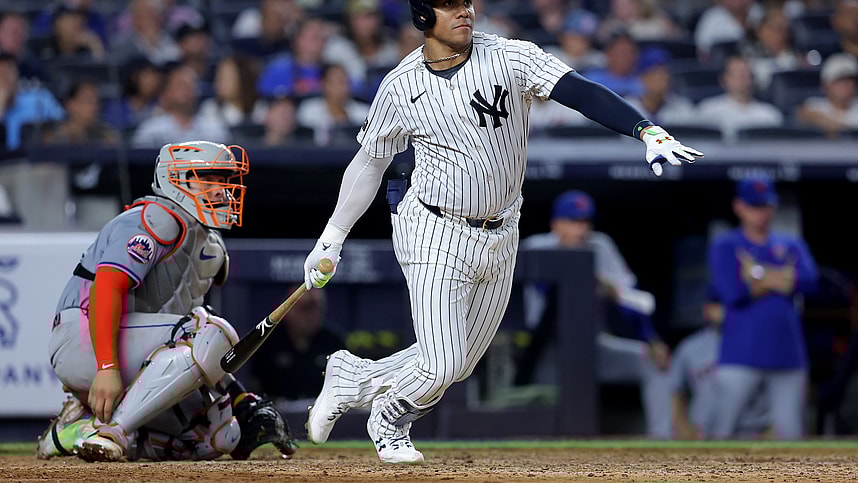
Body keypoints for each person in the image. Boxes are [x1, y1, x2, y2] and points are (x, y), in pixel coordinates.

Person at [301, 0, 702, 464]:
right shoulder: (400, 85)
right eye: (448, 4)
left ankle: (353, 376)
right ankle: (389, 416)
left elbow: (579, 90)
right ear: (423, 17)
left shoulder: (511, 57)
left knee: (461, 364)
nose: (463, 11)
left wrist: (645, 129)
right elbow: (370, 164)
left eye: (465, 1)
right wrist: (331, 237)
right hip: (433, 225)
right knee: (442, 362)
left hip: (502, 227)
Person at [36, 140, 295, 462]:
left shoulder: (209, 243)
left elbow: (188, 344)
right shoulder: (154, 219)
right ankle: (113, 431)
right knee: (212, 328)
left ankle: (74, 432)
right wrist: (106, 368)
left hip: (137, 349)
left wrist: (239, 397)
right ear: (177, 179)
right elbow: (106, 288)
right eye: (209, 179)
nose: (222, 190)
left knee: (219, 436)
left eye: (225, 180)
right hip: (85, 338)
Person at [517, 190, 673, 439]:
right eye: (573, 222)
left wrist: (651, 339)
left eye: (584, 222)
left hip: (592, 345)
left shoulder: (600, 246)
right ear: (556, 223)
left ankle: (662, 441)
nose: (581, 229)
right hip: (545, 349)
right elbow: (539, 295)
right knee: (540, 413)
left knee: (653, 361)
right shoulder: (537, 246)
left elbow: (631, 299)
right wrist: (582, 277)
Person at [707, 174, 818, 440]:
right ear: (739, 207)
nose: (761, 213)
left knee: (790, 434)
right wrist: (782, 278)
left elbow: (811, 282)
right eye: (754, 206)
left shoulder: (790, 243)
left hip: (787, 353)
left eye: (766, 206)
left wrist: (757, 275)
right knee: (722, 431)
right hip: (740, 354)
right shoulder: (726, 244)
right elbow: (732, 293)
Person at [670, 288, 769, 440]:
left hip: (749, 433)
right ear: (706, 309)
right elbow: (676, 391)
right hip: (702, 434)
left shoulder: (758, 344)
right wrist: (682, 427)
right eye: (717, 305)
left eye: (728, 305)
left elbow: (776, 390)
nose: (723, 310)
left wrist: (771, 430)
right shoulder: (690, 347)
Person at [251, 284, 346, 402]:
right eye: (305, 309)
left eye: (318, 309)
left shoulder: (334, 342)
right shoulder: (268, 342)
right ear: (288, 310)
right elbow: (255, 387)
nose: (312, 315)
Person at [131, 63, 229, 147]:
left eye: (190, 86)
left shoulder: (214, 130)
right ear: (167, 92)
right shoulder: (150, 131)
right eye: (180, 86)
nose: (186, 91)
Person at [697, 55, 784, 141]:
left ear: (753, 79)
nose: (742, 78)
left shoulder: (769, 115)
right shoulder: (707, 111)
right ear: (723, 80)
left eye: (746, 74)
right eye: (736, 74)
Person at [796, 53, 858, 137]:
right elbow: (803, 114)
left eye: (850, 80)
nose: (845, 84)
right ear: (825, 86)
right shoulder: (815, 105)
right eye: (839, 80)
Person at [40, 81, 119, 146]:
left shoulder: (106, 134)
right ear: (70, 105)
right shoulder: (54, 137)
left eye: (96, 102)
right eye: (87, 101)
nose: (94, 107)